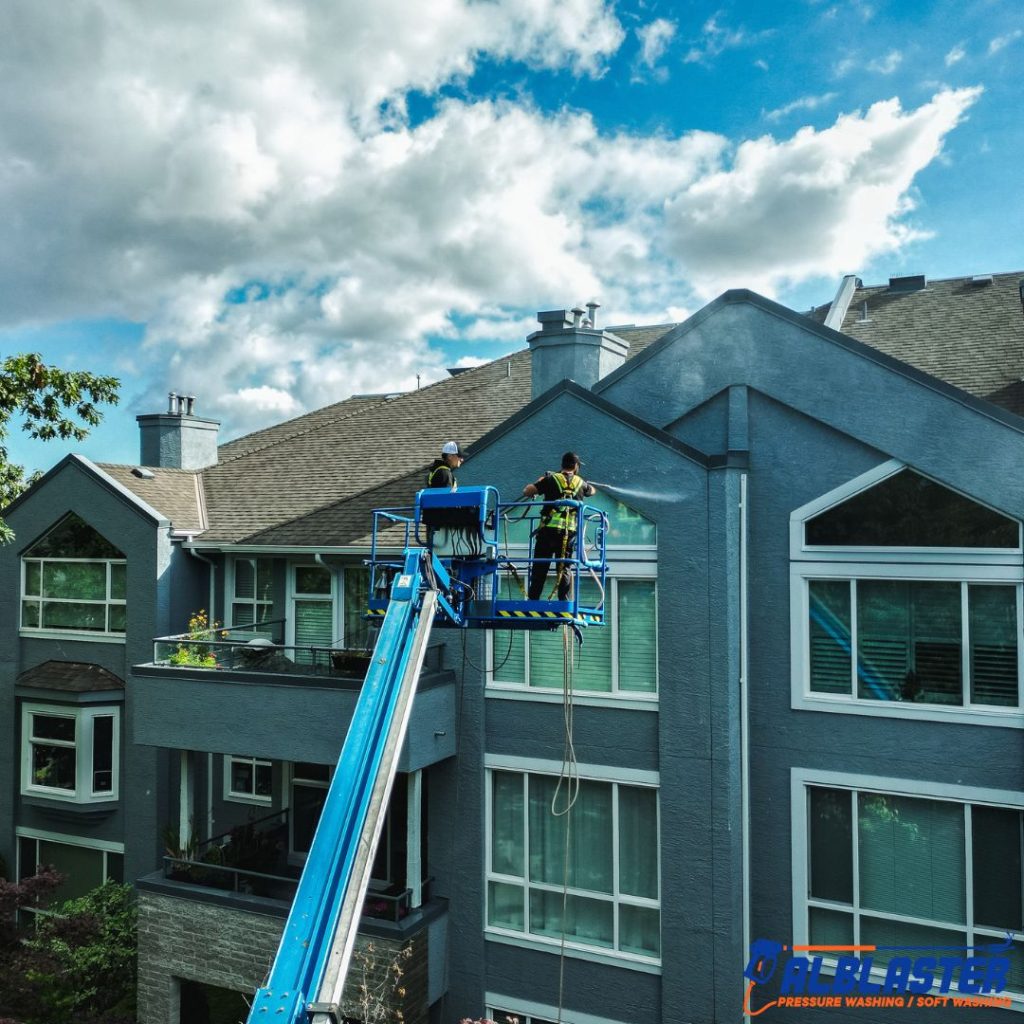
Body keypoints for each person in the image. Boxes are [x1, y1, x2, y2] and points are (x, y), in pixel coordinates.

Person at [522, 451, 596, 600]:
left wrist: (542, 480)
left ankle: (533, 601)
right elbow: (592, 491)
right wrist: (585, 483)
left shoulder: (551, 479)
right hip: (568, 534)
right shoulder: (580, 482)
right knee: (564, 568)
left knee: (540, 567)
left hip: (548, 531)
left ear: (561, 464)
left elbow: (527, 491)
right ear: (576, 466)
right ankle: (565, 603)